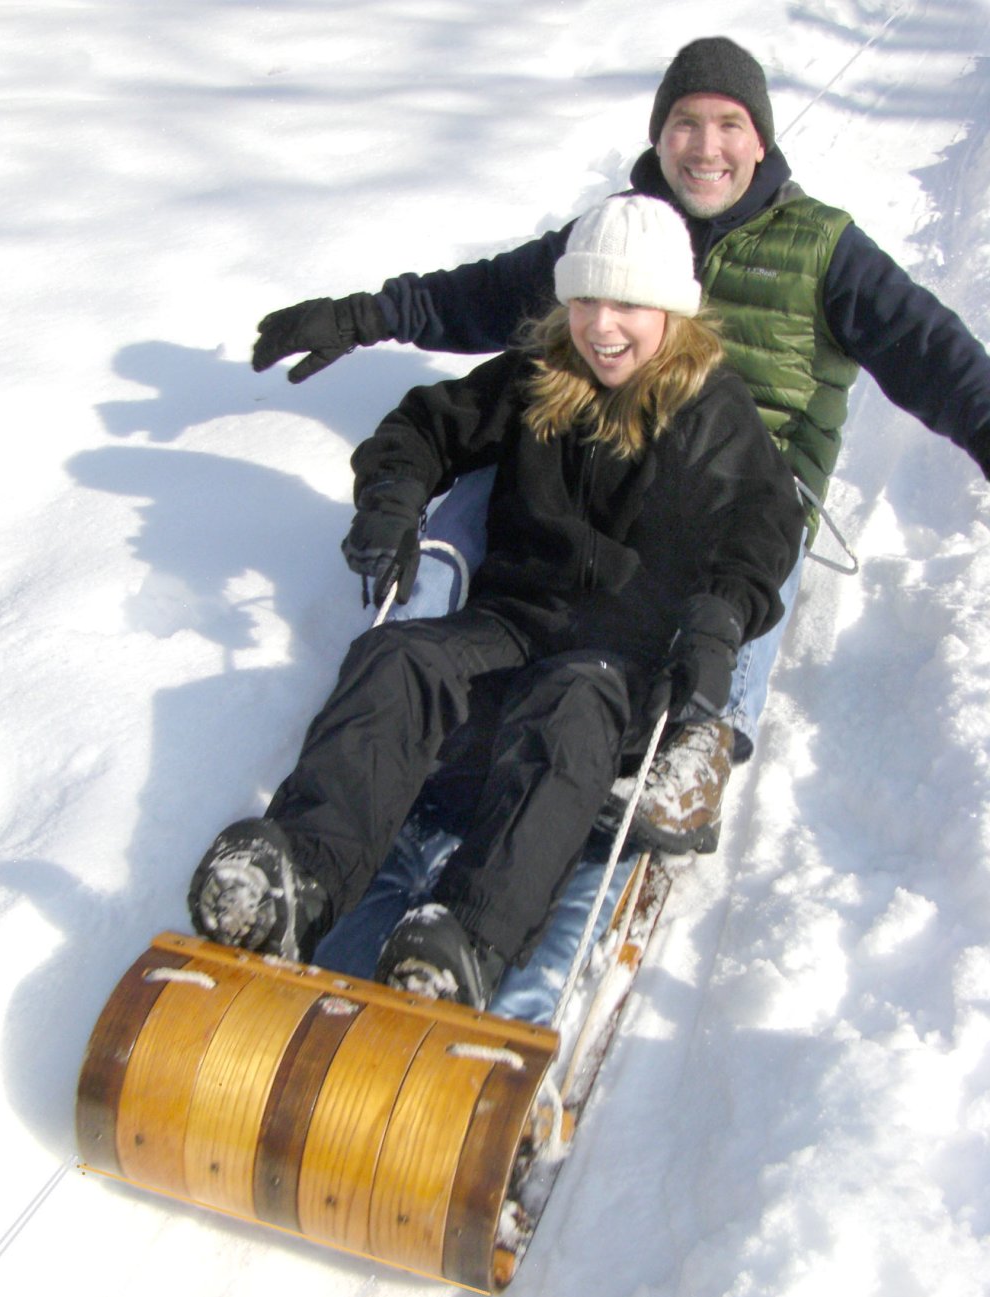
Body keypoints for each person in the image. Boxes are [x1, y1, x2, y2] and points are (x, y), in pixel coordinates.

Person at [249, 35, 990, 854]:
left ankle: (703, 737)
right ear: (657, 134)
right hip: (604, 451)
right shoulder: (621, 232)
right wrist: (365, 317)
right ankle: (414, 689)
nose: (706, 148)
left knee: (746, 567)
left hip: (739, 484)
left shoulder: (823, 250)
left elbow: (934, 356)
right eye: (684, 123)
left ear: (763, 141)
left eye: (729, 125)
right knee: (476, 496)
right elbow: (488, 294)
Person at [189, 195, 804, 1009]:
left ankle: (468, 939)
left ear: (672, 312)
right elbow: (423, 427)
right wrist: (391, 501)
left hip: (619, 674)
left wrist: (718, 624)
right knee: (401, 657)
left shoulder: (711, 412)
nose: (602, 325)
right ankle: (299, 878)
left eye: (628, 304)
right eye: (585, 299)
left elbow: (762, 525)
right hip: (509, 628)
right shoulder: (536, 376)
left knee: (571, 704)